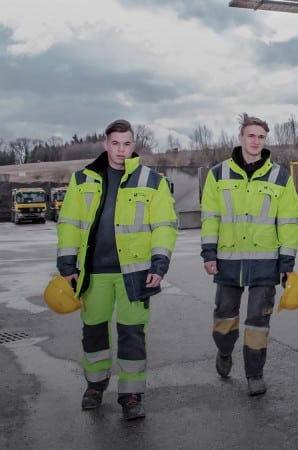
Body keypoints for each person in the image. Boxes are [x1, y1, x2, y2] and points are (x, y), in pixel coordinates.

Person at [56, 119, 178, 420]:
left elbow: (164, 225)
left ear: (133, 146)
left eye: (127, 144)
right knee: (94, 332)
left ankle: (132, 394)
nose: (121, 149)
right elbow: (69, 224)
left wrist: (159, 263)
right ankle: (95, 387)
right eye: (115, 143)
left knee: (132, 333)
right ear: (105, 144)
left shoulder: (152, 181)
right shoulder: (83, 179)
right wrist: (67, 264)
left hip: (135, 274)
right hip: (94, 273)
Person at [200, 114, 298, 396]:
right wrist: (209, 253)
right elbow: (210, 217)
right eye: (251, 136)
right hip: (228, 262)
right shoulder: (218, 174)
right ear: (240, 138)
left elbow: (290, 222)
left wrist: (287, 261)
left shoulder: (280, 176)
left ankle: (255, 374)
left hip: (265, 262)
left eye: (261, 137)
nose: (256, 141)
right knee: (224, 319)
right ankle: (223, 350)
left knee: (258, 321)